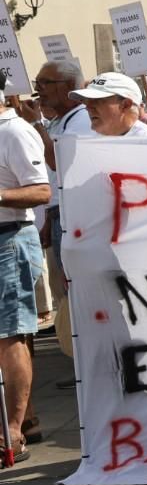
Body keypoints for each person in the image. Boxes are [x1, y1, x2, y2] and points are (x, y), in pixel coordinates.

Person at [17, 60, 90, 372]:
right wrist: (47, 215)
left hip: (75, 216)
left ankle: (89, 363)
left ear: (67, 86)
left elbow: (60, 163)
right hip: (58, 214)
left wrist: (35, 125)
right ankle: (79, 362)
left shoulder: (82, 120)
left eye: (45, 83)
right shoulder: (61, 121)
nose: (39, 90)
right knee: (66, 297)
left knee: (77, 294)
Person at [0, 92, 50, 460]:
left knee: (9, 334)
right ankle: (22, 421)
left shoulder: (13, 131)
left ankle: (12, 433)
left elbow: (41, 189)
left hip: (9, 239)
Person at [73, 73, 147, 138]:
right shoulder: (83, 139)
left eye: (97, 101)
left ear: (125, 105)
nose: (88, 108)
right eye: (87, 101)